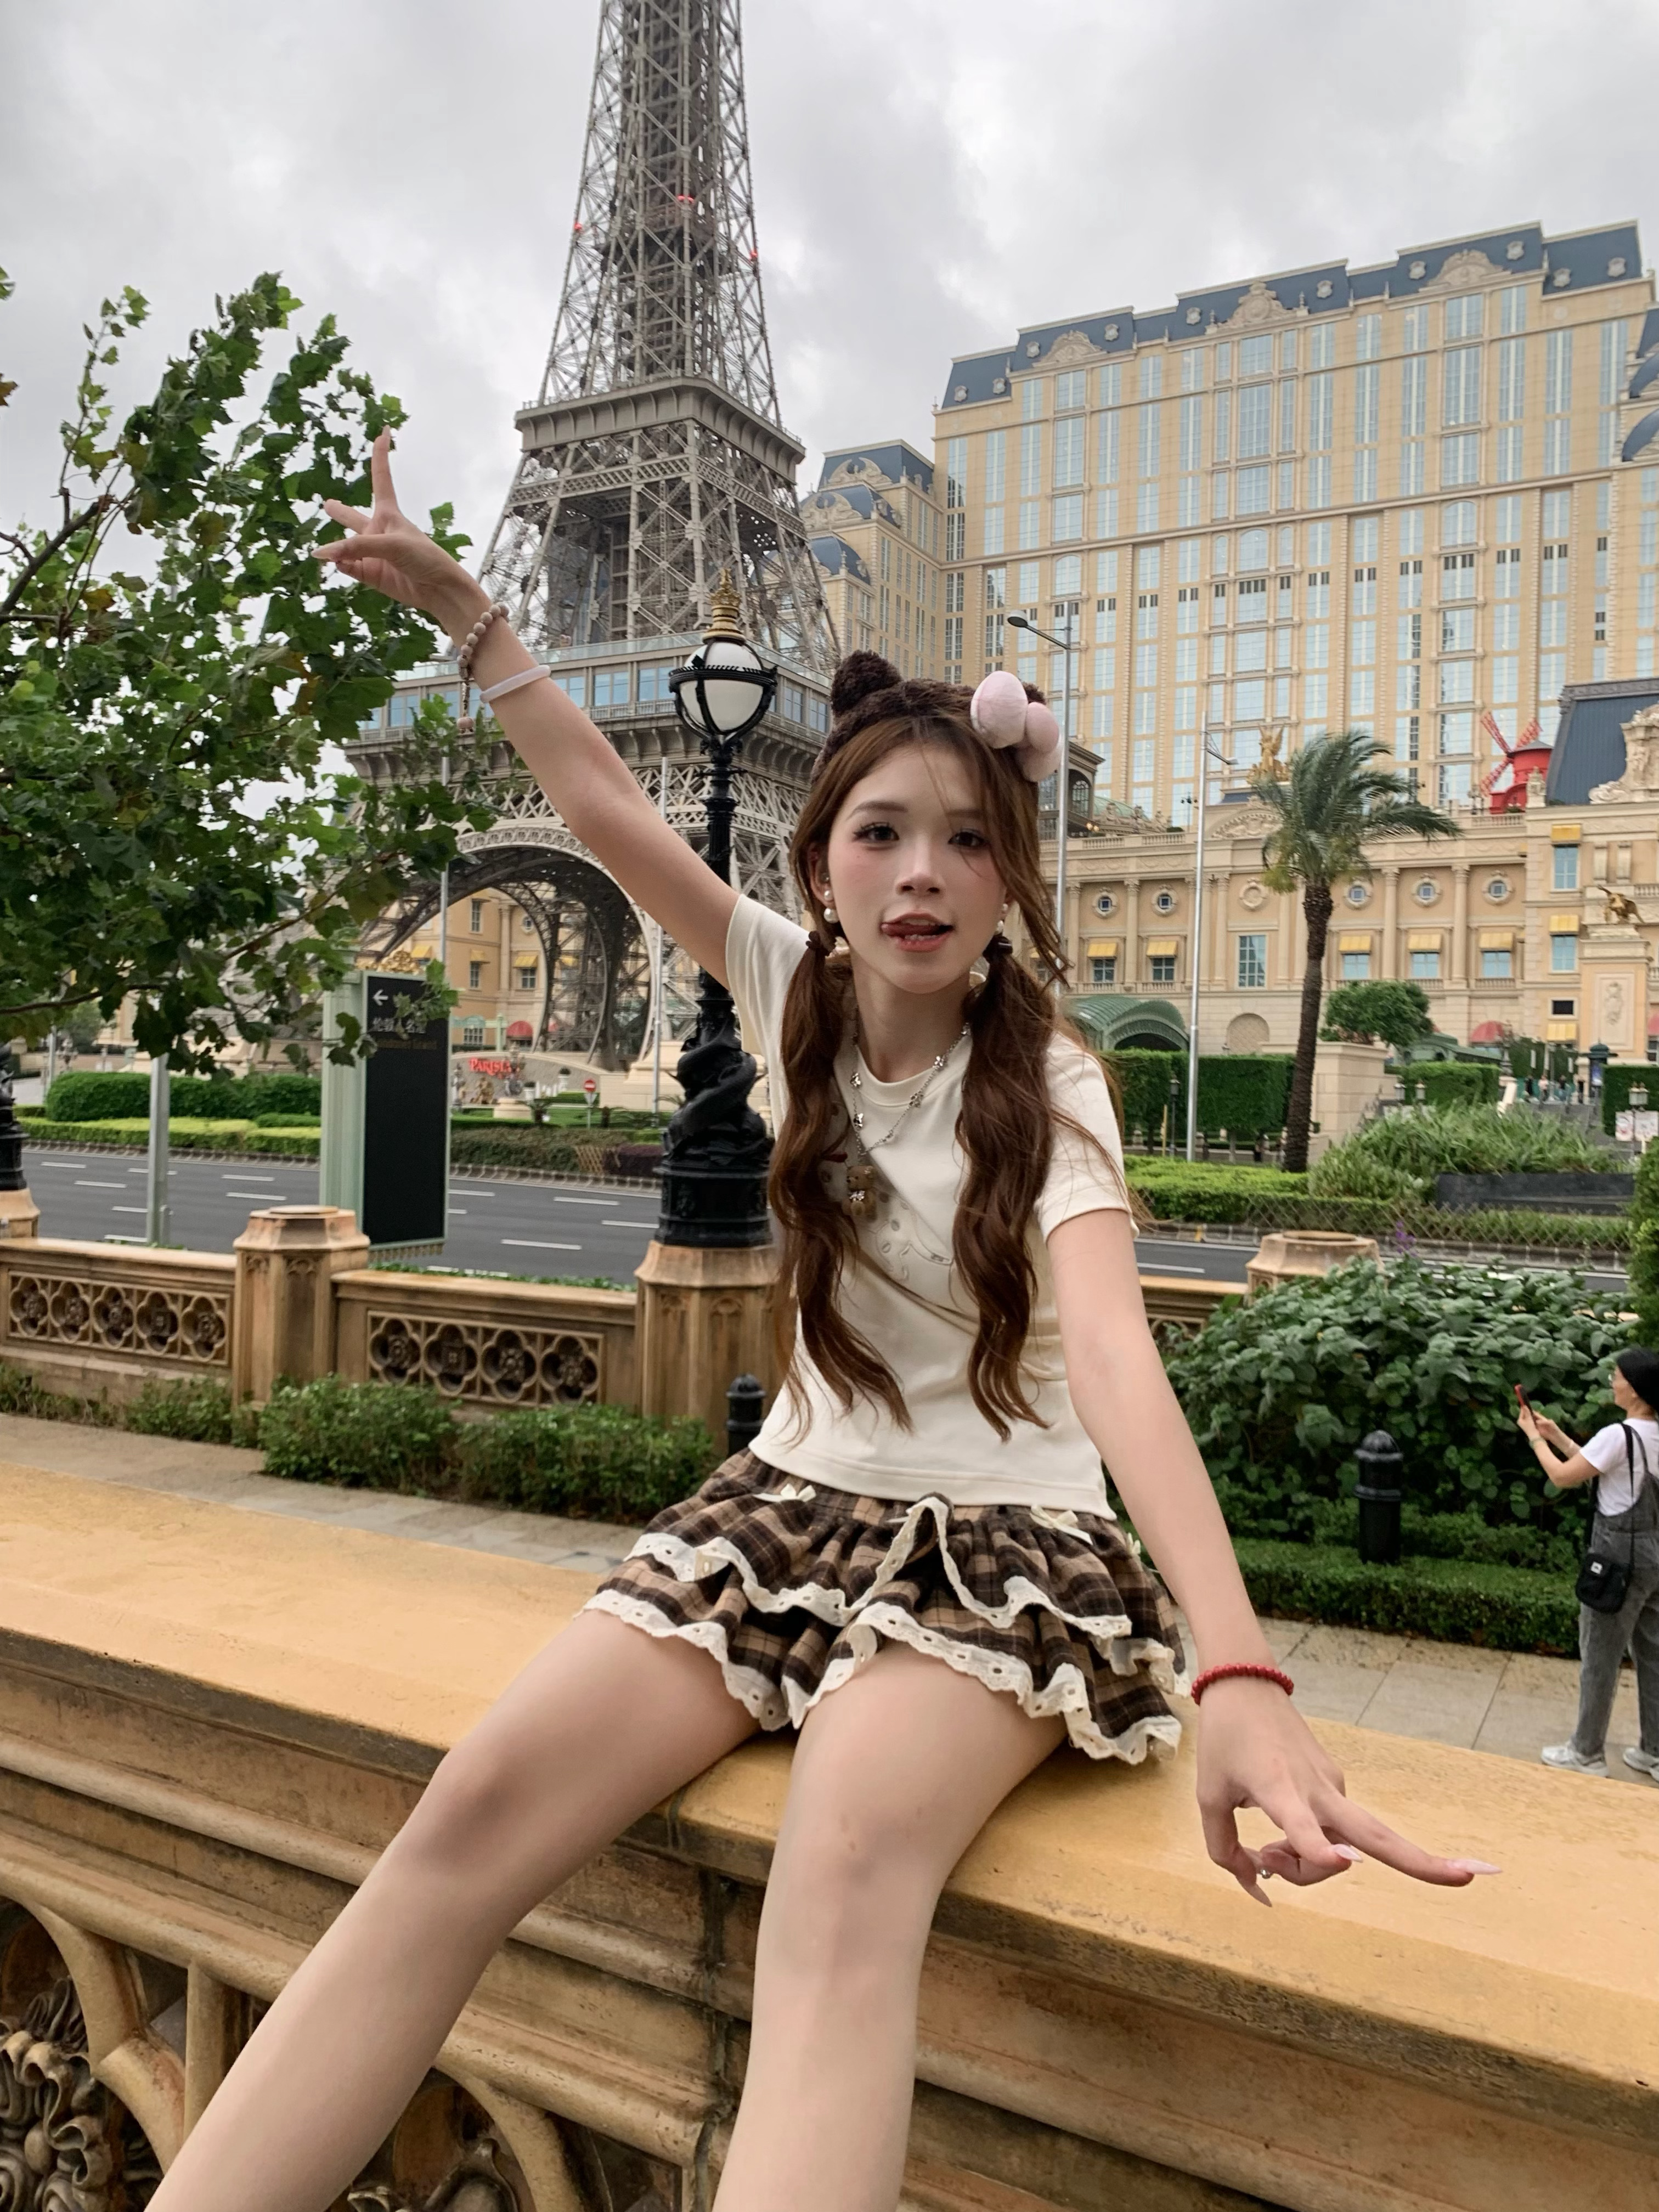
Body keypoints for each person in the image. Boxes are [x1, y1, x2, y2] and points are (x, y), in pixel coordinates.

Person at [146, 436, 1497, 2212]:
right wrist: (476, 620)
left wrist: (1238, 1670)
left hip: (1000, 1548)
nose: (922, 871)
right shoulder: (791, 991)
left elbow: (1112, 1361)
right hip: (782, 1514)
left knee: (841, 1880)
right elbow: (606, 810)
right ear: (823, 864)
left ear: (1009, 883)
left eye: (966, 839)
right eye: (883, 834)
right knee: (463, 1819)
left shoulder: (1054, 1081)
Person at [1519, 1345, 1659, 1780]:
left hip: (1618, 1560)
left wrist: (1534, 1438)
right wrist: (1559, 1437)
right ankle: (1654, 1752)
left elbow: (1562, 1478)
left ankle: (1586, 1751)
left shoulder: (1619, 1435)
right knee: (1653, 1655)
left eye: (1618, 1377)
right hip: (1655, 1558)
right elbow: (1607, 1469)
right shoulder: (1651, 1435)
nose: (1612, 1382)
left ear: (1635, 1389)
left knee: (1600, 1655)